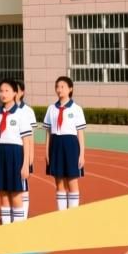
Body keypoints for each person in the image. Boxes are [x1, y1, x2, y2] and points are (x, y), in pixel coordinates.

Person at [0, 79, 33, 226]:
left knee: (16, 193)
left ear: (15, 93)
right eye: (1, 91)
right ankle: (6, 226)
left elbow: (26, 141)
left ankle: (18, 228)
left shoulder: (21, 114)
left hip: (15, 154)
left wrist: (25, 164)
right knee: (3, 193)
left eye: (7, 91)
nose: (3, 94)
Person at [45, 75, 86, 210]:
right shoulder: (51, 109)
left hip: (71, 145)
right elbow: (48, 132)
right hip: (56, 144)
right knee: (59, 181)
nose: (59, 89)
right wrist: (47, 152)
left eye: (62, 87)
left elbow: (80, 133)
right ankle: (61, 213)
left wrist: (82, 155)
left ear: (70, 89)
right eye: (57, 87)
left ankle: (73, 214)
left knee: (72, 180)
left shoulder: (76, 109)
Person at [14, 80, 36, 215]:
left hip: (23, 151)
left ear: (22, 92)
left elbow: (30, 136)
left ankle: (24, 213)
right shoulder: (3, 110)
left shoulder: (28, 111)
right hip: (10, 151)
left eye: (16, 90)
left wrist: (30, 156)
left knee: (23, 182)